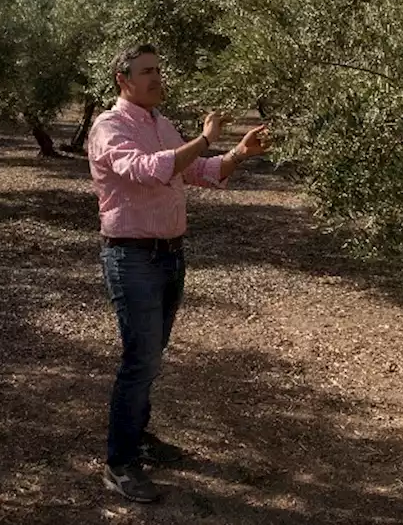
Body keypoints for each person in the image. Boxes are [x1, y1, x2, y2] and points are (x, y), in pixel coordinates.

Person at [86, 43, 270, 503]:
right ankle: (120, 463)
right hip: (131, 258)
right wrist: (205, 139)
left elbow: (196, 171)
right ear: (122, 80)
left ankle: (138, 437)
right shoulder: (109, 128)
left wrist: (237, 154)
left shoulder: (160, 124)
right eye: (146, 72)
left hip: (168, 256)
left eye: (158, 71)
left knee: (152, 355)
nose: (156, 78)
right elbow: (149, 170)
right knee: (140, 359)